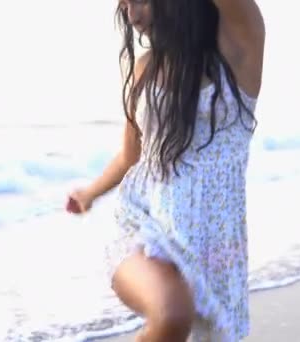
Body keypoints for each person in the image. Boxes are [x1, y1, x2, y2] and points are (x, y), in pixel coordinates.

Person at [66, 0, 265, 340]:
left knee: (180, 322)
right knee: (172, 312)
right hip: (144, 231)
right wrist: (90, 192)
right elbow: (132, 155)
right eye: (124, 4)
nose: (132, 15)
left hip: (213, 251)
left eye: (141, 0)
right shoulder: (145, 70)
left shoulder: (238, 55)